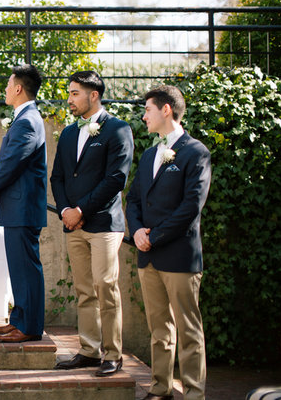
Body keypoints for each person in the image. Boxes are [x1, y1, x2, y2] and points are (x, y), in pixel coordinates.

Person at [126, 85, 211, 400]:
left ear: (166, 110)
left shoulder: (196, 152)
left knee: (189, 331)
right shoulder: (149, 153)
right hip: (147, 257)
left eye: (148, 109)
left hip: (178, 256)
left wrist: (154, 236)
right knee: (159, 329)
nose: (144, 115)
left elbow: (191, 206)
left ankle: (193, 393)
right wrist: (136, 232)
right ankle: (160, 388)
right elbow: (134, 199)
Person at [50, 71, 134, 376]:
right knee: (84, 290)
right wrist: (65, 211)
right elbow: (57, 176)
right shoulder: (70, 133)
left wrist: (82, 209)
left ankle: (113, 354)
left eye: (75, 93)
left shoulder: (118, 130)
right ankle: (88, 350)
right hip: (73, 225)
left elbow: (116, 179)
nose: (69, 99)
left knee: (105, 287)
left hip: (104, 224)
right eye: (70, 93)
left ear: (93, 95)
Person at [0, 64, 47, 343]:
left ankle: (30, 327)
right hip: (17, 207)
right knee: (18, 268)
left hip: (23, 208)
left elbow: (11, 163)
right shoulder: (25, 118)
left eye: (8, 85)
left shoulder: (28, 121)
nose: (5, 90)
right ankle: (19, 319)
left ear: (19, 88)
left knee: (26, 268)